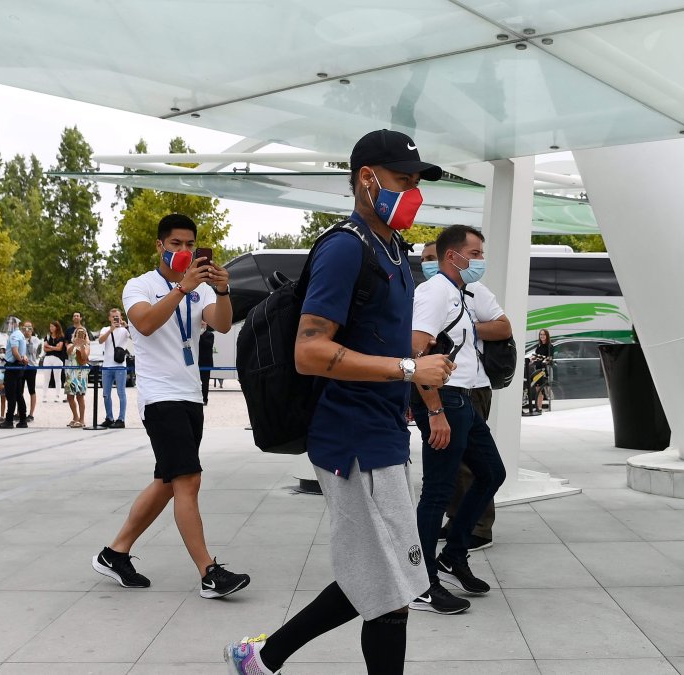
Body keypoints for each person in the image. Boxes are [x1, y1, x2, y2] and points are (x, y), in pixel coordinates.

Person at [224, 129, 452, 675]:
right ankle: (261, 656)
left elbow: (397, 344)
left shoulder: (395, 250)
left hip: (383, 434)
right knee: (392, 587)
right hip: (351, 440)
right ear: (365, 179)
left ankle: (261, 656)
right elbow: (309, 350)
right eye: (403, 180)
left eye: (417, 181)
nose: (414, 192)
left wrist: (427, 400)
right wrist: (405, 370)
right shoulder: (345, 247)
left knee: (386, 577)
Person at [92, 213, 250, 600]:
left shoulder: (202, 287)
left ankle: (115, 553)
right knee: (188, 480)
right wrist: (180, 288)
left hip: (190, 394)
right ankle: (209, 572)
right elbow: (144, 324)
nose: (184, 250)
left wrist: (224, 291)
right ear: (160, 246)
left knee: (169, 481)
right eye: (176, 243)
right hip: (159, 396)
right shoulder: (140, 285)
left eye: (190, 244)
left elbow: (222, 324)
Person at [411, 224, 507, 614]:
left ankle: (453, 554)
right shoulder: (434, 292)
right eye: (477, 252)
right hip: (445, 400)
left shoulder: (459, 293)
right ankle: (420, 582)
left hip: (464, 398)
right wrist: (434, 411)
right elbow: (417, 352)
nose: (480, 259)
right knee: (437, 489)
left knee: (491, 473)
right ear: (455, 256)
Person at [97, 308, 130, 428]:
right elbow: (100, 341)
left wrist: (126, 326)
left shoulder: (124, 331)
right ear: (109, 318)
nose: (115, 319)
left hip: (120, 366)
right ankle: (109, 417)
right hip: (107, 365)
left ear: (121, 317)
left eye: (117, 316)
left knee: (121, 393)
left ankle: (121, 419)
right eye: (113, 317)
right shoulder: (105, 329)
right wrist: (111, 329)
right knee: (106, 394)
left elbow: (135, 338)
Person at [0, 316, 29, 429]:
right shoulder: (20, 335)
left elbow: (15, 352)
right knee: (19, 394)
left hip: (13, 366)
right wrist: (23, 360)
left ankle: (9, 420)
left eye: (9, 323)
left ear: (13, 324)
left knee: (10, 394)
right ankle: (23, 420)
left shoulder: (14, 335)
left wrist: (20, 359)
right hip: (19, 367)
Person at [65, 329, 90, 428]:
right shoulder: (70, 345)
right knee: (69, 396)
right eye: (78, 333)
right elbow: (69, 352)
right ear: (74, 335)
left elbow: (84, 357)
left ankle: (82, 419)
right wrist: (75, 344)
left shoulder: (87, 346)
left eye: (82, 333)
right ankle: (75, 417)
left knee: (80, 396)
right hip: (71, 372)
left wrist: (82, 347)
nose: (80, 335)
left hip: (81, 373)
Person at [525, 328, 553, 415]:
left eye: (544, 334)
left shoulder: (550, 346)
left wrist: (543, 359)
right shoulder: (539, 346)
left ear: (547, 336)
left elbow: (549, 359)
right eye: (541, 334)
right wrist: (531, 360)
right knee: (537, 388)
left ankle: (539, 408)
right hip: (537, 369)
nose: (542, 336)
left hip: (543, 370)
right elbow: (536, 357)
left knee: (539, 389)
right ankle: (538, 407)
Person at [43, 320, 68, 404]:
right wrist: (53, 347)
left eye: (53, 326)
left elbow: (59, 348)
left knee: (57, 378)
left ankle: (57, 395)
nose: (51, 328)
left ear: (56, 327)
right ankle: (44, 395)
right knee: (47, 378)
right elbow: (45, 348)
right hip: (48, 358)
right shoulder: (47, 336)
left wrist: (50, 347)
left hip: (58, 358)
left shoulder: (61, 337)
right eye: (50, 326)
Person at [22, 321, 42, 422]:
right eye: (25, 328)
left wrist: (29, 339)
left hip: (31, 366)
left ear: (32, 329)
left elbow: (32, 352)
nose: (27, 330)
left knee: (31, 389)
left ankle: (31, 413)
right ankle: (20, 411)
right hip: (21, 367)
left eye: (29, 328)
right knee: (19, 389)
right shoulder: (20, 338)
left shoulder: (35, 340)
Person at [198, 321, 214, 405]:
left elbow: (208, 345)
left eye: (203, 324)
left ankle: (205, 399)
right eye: (200, 324)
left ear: (206, 325)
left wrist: (201, 335)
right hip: (196, 363)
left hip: (206, 363)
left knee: (205, 382)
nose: (201, 326)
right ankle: (197, 398)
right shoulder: (195, 334)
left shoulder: (210, 335)